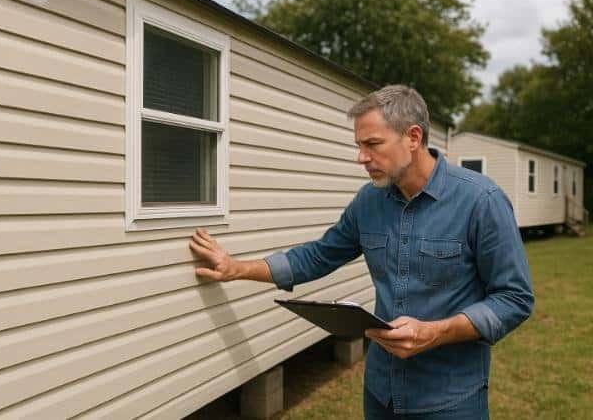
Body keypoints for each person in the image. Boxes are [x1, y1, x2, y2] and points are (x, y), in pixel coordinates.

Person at [189, 85, 534, 419]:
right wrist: (236, 268)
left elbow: (514, 298)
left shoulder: (481, 201)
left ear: (413, 138)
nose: (361, 158)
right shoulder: (369, 201)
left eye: (372, 144)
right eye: (358, 145)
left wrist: (436, 332)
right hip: (380, 393)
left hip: (451, 399)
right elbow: (319, 255)